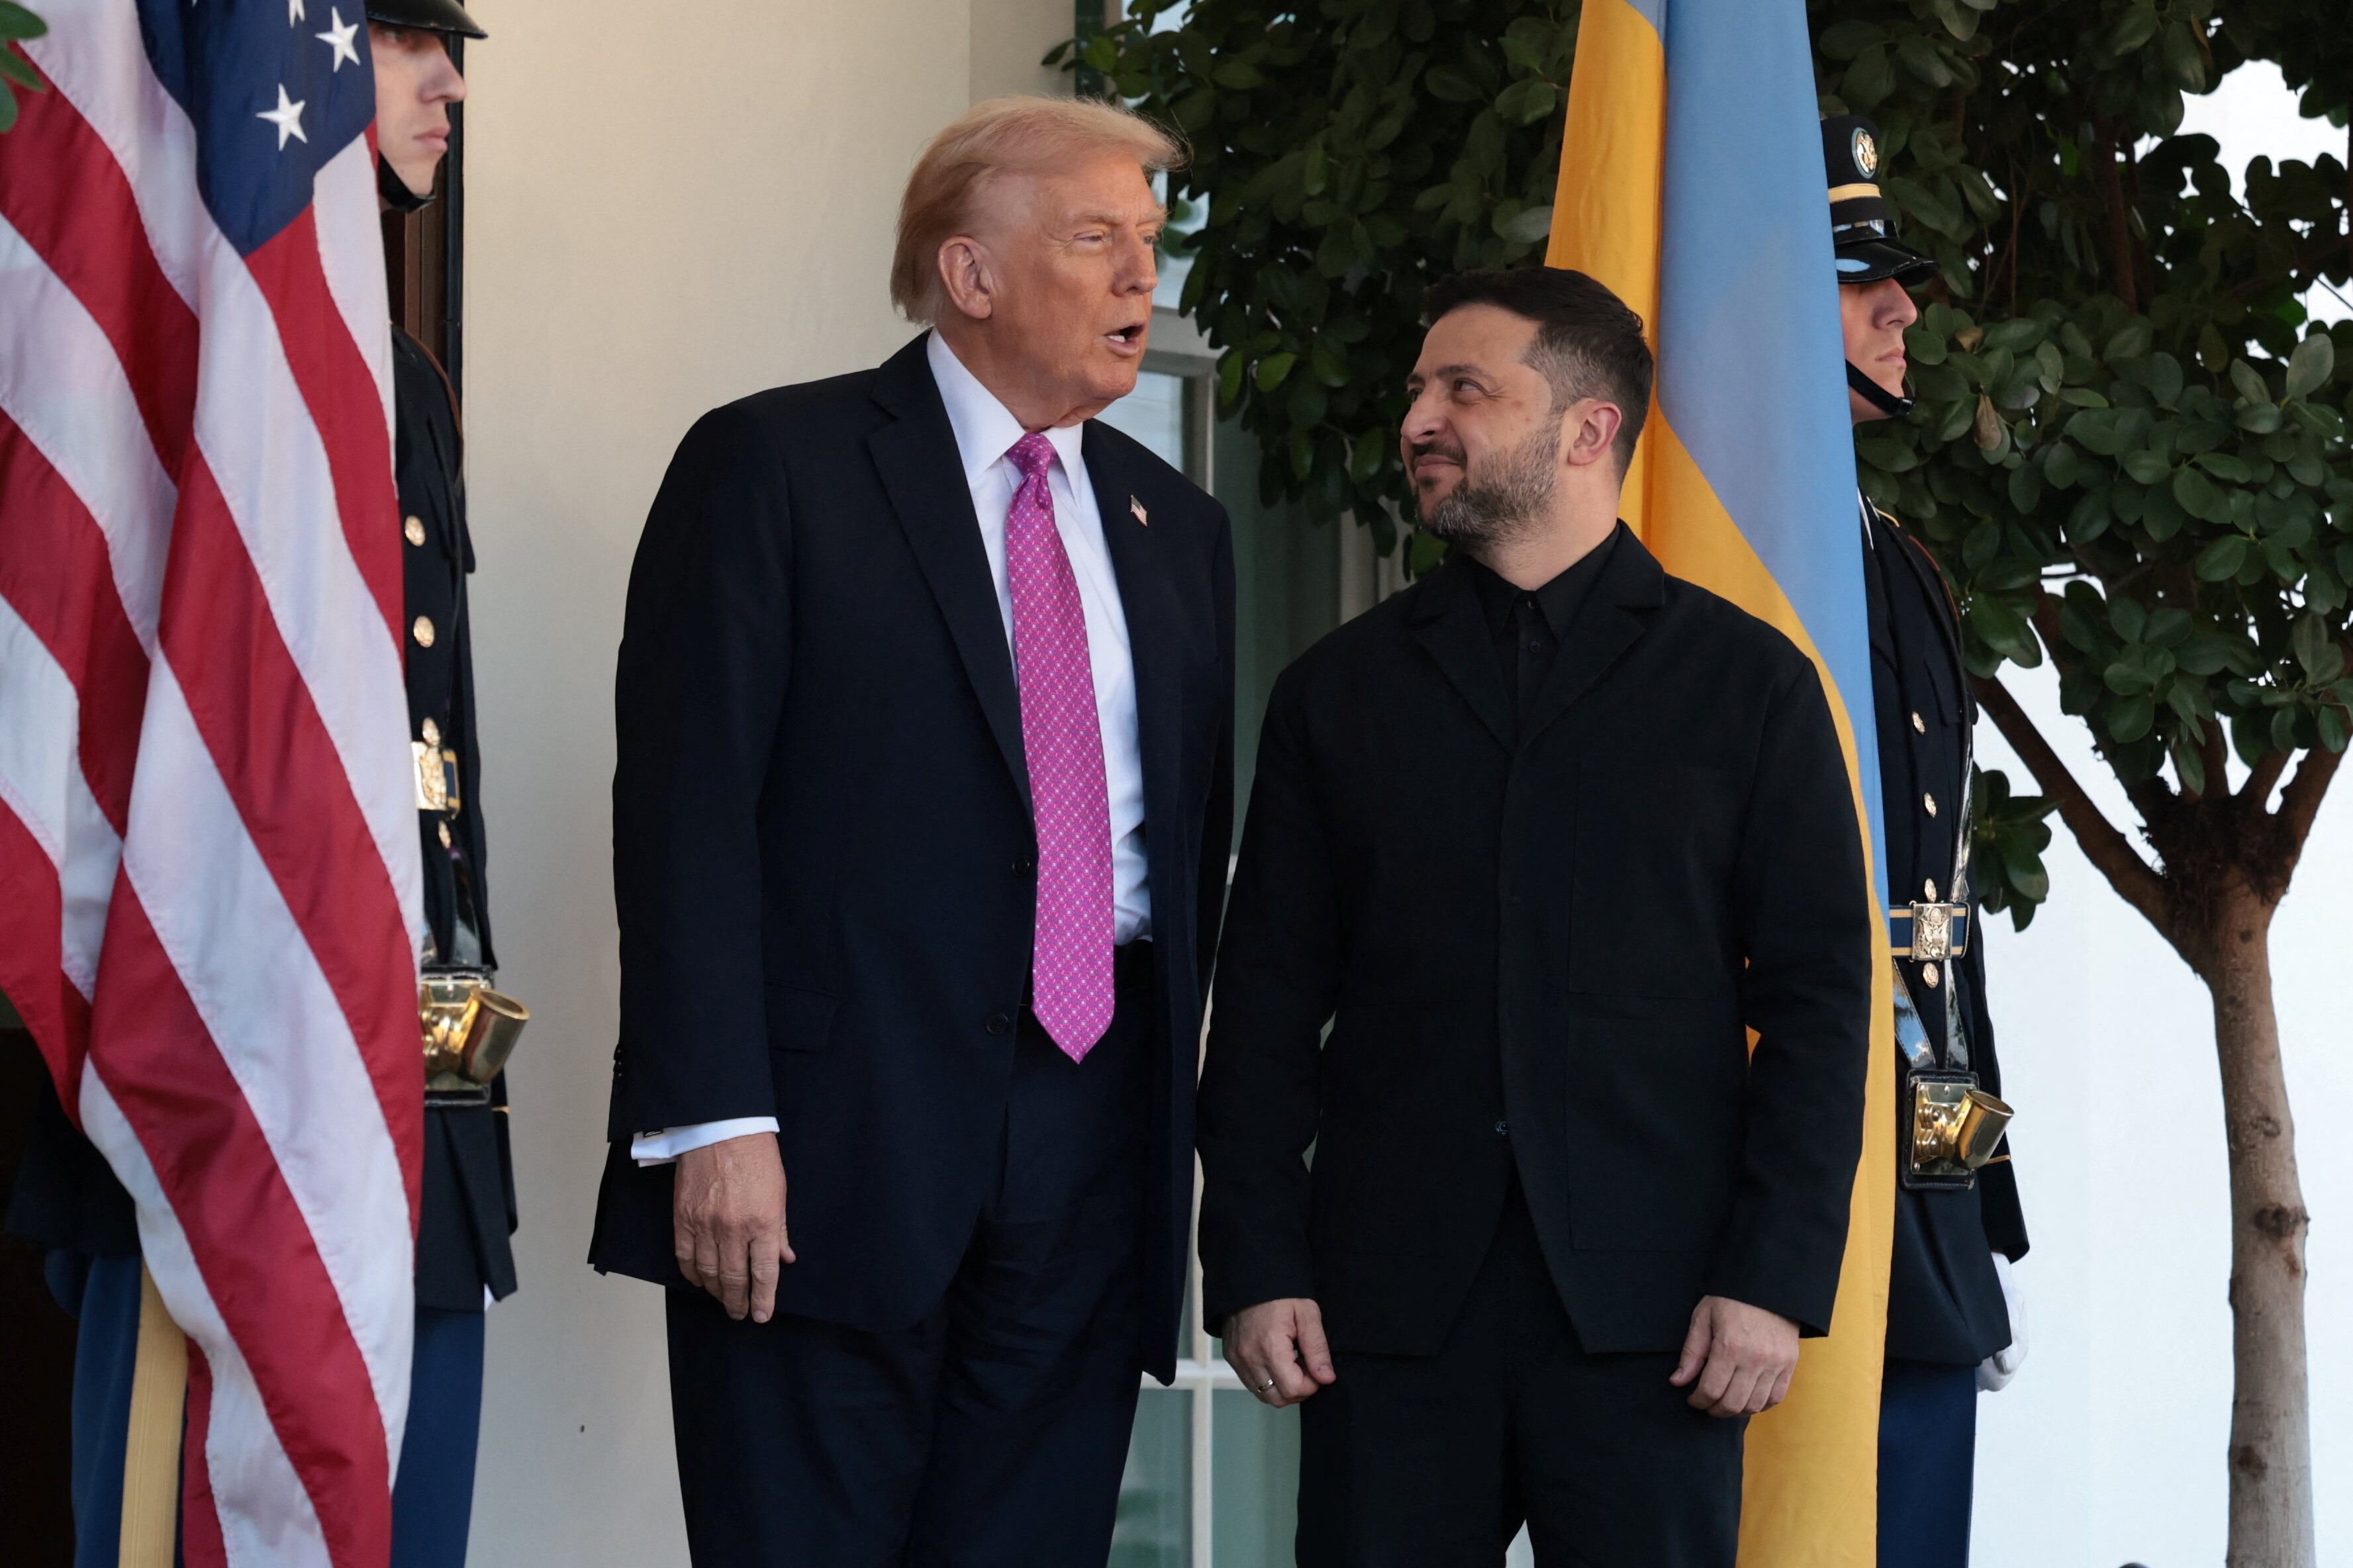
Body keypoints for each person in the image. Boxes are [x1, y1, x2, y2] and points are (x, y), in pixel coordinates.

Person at [587, 96, 1236, 1567]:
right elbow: (687, 813)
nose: (1143, 277)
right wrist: (716, 1119)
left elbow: (1186, 852)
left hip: (1092, 1127)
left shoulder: (1174, 527)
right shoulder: (777, 466)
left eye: (1147, 241)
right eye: (1095, 239)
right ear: (971, 273)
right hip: (824, 1142)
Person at [1196, 266, 1874, 1568]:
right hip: (1381, 1319)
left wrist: (1772, 1279)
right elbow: (1268, 1001)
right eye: (1415, 392)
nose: (1417, 422)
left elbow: (1818, 1006)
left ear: (1586, 429)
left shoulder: (1748, 686)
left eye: (1463, 389)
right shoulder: (1336, 694)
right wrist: (1255, 1258)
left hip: (1665, 1322)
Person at [1825, 112, 2029, 1568]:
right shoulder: (1691, 568)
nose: (1904, 310)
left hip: (1917, 1164)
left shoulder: (1897, 565)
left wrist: (1970, 1198)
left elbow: (1935, 935)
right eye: (1856, 278)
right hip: (1755, 1176)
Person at [369, 7, 526, 1566]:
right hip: (247, 1052)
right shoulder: (219, 344)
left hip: (419, 1046)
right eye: (403, 34)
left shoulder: (398, 368)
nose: (450, 79)